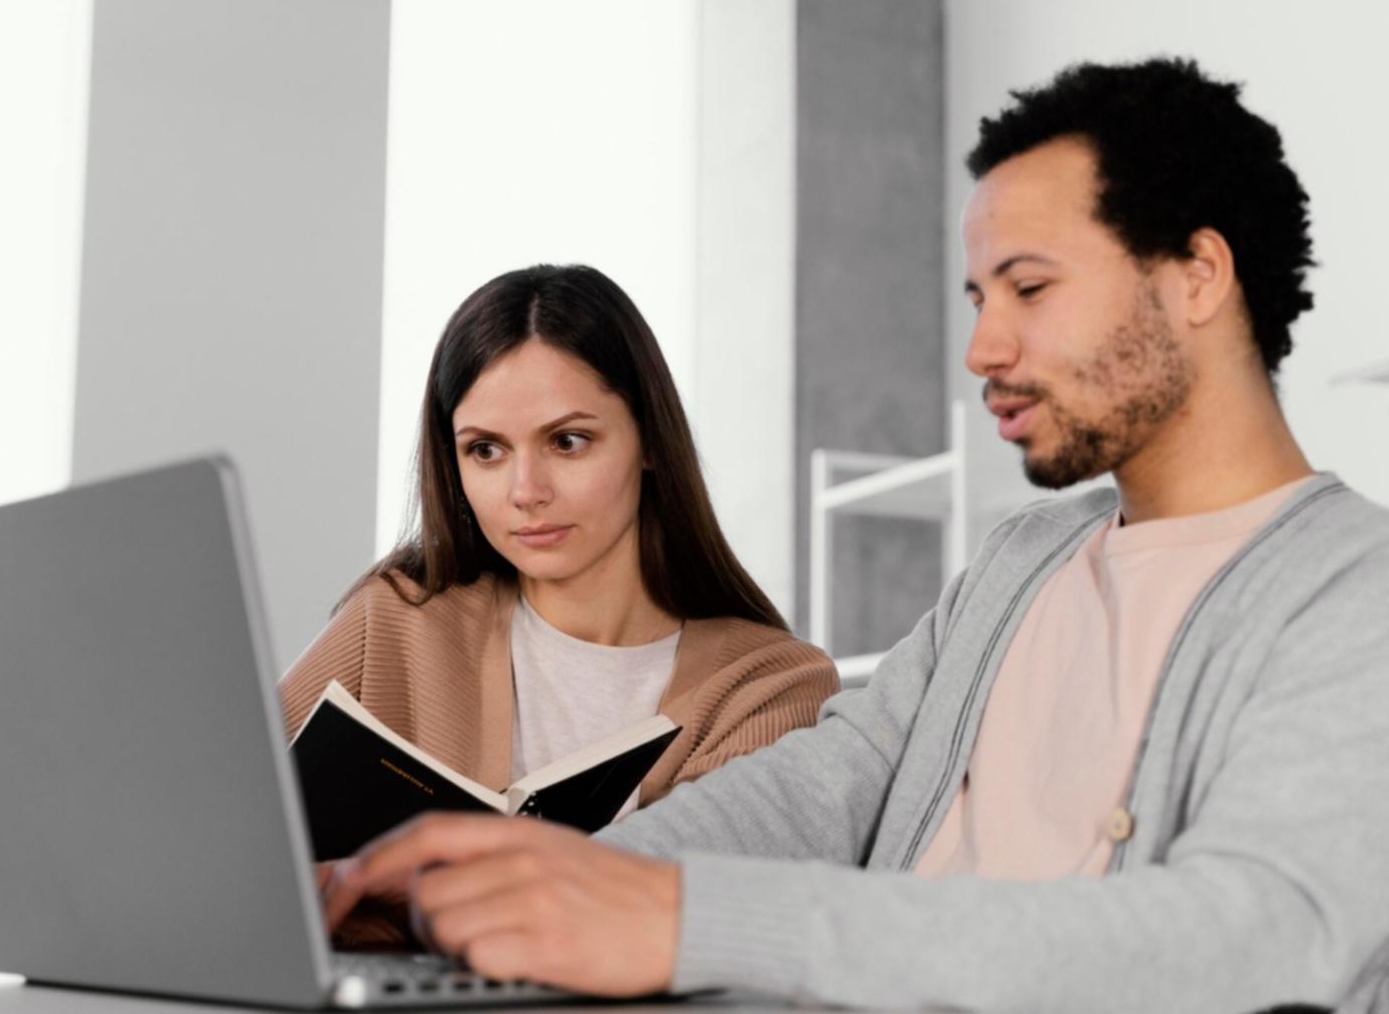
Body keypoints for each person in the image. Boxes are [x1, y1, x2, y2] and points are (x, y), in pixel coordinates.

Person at [320, 58, 1389, 1013]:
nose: (981, 346)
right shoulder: (1023, 562)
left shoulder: (1351, 588)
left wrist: (688, 920)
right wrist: (560, 889)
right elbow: (826, 781)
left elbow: (1259, 933)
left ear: (1196, 274)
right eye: (977, 295)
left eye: (1028, 286)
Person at [278, 264, 837, 846]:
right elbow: (218, 815)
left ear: (649, 440)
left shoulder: (768, 689)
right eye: (486, 450)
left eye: (567, 441)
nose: (526, 491)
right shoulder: (396, 618)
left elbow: (711, 911)